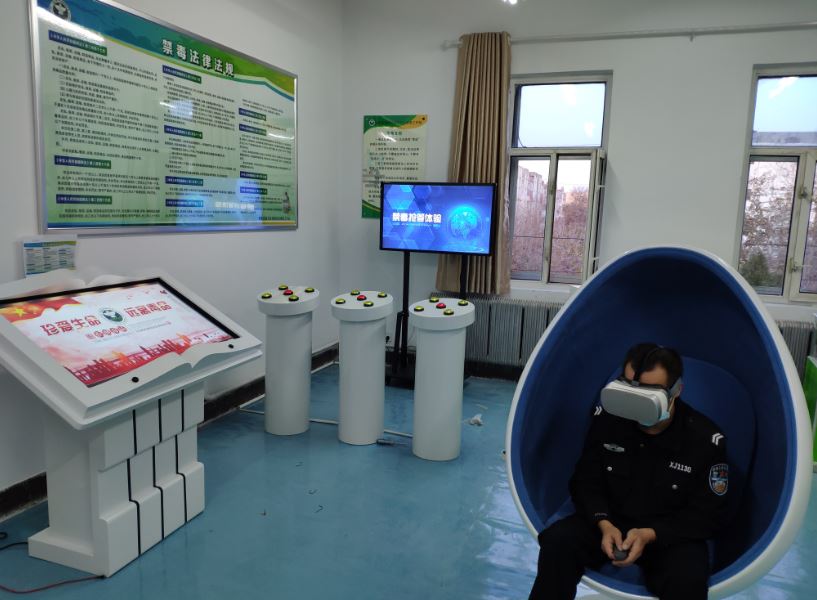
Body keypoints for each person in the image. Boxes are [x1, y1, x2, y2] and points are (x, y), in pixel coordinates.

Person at [529, 343, 729, 600]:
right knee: (557, 542)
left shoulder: (704, 440)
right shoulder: (608, 420)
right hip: (610, 524)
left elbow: (708, 514)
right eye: (630, 389)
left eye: (650, 392)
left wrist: (651, 534)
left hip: (667, 536)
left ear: (676, 390)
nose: (637, 401)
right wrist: (603, 523)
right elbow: (585, 481)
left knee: (688, 580)